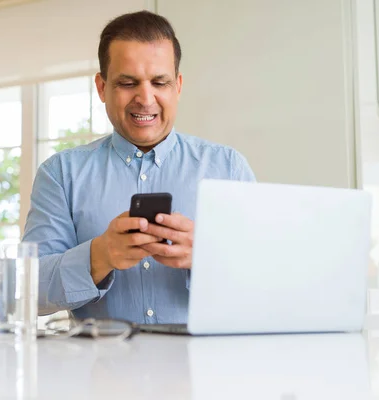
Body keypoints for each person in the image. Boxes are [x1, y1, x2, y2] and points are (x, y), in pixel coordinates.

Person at [22, 10, 255, 324]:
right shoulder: (60, 174)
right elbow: (28, 290)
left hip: (205, 370)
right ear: (102, 88)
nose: (146, 99)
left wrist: (206, 257)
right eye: (128, 83)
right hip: (98, 370)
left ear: (178, 86)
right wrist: (100, 255)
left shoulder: (228, 168)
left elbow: (263, 283)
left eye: (160, 82)